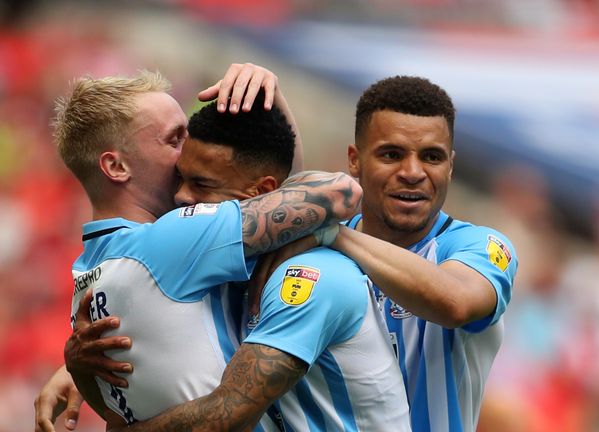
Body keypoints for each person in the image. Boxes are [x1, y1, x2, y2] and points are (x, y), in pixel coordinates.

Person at [33, 63, 363, 432]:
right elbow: (338, 194)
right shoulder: (173, 241)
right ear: (117, 165)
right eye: (175, 140)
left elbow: (273, 194)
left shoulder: (90, 269)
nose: (192, 148)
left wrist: (274, 102)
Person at [319, 75, 518, 432]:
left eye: (432, 157)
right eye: (392, 154)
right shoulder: (319, 248)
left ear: (451, 167)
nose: (413, 173)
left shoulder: (480, 247)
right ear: (354, 160)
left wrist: (333, 235)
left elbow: (454, 302)